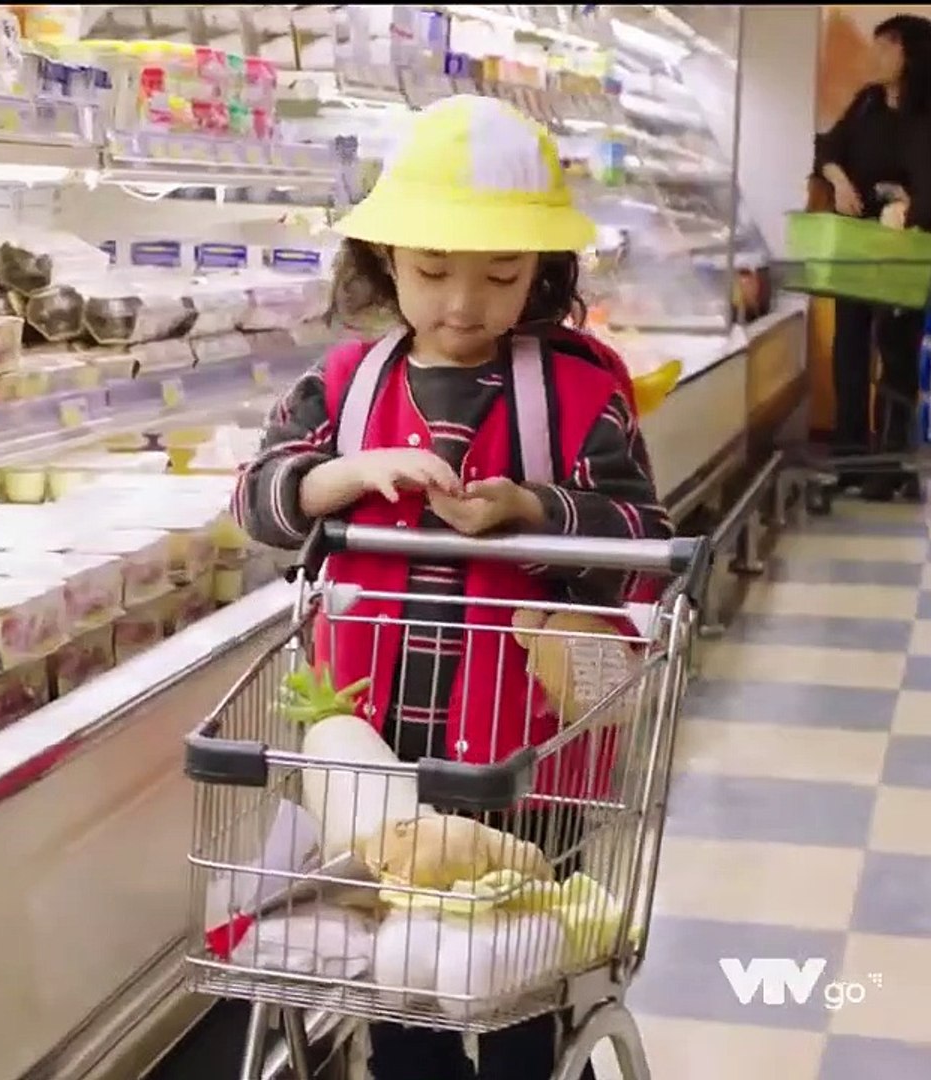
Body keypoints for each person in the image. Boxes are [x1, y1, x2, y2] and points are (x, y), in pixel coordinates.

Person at [232, 94, 672, 1080]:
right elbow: (256, 504)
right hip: (372, 760)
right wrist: (334, 477)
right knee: (405, 990)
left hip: (530, 765)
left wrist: (531, 509)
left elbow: (645, 536)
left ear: (541, 272)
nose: (464, 303)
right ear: (385, 257)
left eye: (501, 274)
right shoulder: (343, 387)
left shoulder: (578, 395)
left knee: (512, 988)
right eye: (433, 271)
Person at [814, 13, 931, 500]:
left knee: (897, 356)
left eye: (886, 47)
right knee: (849, 350)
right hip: (857, 247)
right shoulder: (866, 103)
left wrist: (910, 205)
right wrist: (839, 179)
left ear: (910, 55)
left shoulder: (924, 115)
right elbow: (827, 147)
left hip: (905, 250)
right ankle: (849, 459)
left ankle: (890, 464)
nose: (874, 55)